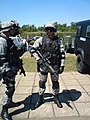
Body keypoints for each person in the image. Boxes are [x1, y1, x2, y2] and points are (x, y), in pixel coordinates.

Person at [30, 22, 65, 108]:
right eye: (47, 30)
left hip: (55, 66)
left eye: (51, 30)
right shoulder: (41, 40)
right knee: (42, 82)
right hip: (43, 66)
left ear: (54, 31)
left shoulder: (59, 41)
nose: (49, 31)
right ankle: (40, 97)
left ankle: (56, 98)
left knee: (55, 82)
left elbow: (62, 53)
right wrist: (39, 59)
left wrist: (62, 65)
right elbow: (32, 49)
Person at [0, 21, 26, 120]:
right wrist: (7, 70)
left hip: (11, 68)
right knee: (9, 88)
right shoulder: (2, 41)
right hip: (6, 69)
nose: (15, 30)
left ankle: (9, 103)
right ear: (8, 29)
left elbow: (15, 54)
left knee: (11, 87)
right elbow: (1, 59)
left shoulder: (8, 39)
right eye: (14, 29)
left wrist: (23, 47)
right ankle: (4, 111)